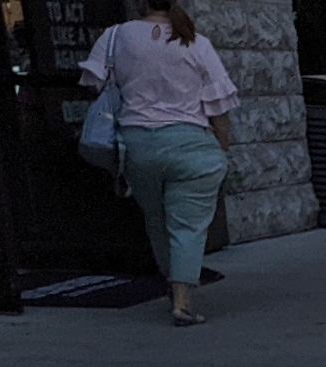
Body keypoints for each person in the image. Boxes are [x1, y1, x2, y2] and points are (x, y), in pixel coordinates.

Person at [78, 0, 235, 326]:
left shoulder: (115, 36)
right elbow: (218, 106)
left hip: (139, 146)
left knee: (157, 219)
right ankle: (182, 301)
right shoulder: (195, 42)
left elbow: (94, 83)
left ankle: (170, 281)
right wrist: (222, 147)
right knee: (187, 226)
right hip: (191, 144)